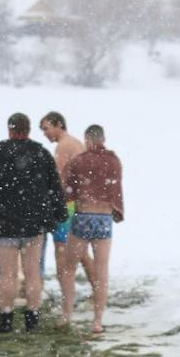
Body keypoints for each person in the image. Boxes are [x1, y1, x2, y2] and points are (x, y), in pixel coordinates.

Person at [0, 113, 66, 333]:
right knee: (33, 272)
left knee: (8, 274)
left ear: (9, 130)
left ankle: (6, 316)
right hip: (34, 225)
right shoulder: (41, 154)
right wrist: (58, 214)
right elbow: (55, 188)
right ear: (29, 130)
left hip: (5, 224)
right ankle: (32, 316)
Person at [63, 125, 123, 334]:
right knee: (101, 272)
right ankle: (97, 321)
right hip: (104, 219)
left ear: (87, 141)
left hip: (83, 216)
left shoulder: (79, 161)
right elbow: (116, 192)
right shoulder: (114, 161)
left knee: (69, 268)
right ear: (103, 139)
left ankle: (67, 314)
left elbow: (68, 190)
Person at [40, 111, 97, 295]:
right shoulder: (75, 143)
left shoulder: (63, 146)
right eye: (42, 130)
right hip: (83, 204)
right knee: (81, 253)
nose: (45, 133)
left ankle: (67, 302)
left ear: (59, 125)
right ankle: (98, 291)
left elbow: (58, 181)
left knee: (61, 252)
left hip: (68, 206)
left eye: (47, 128)